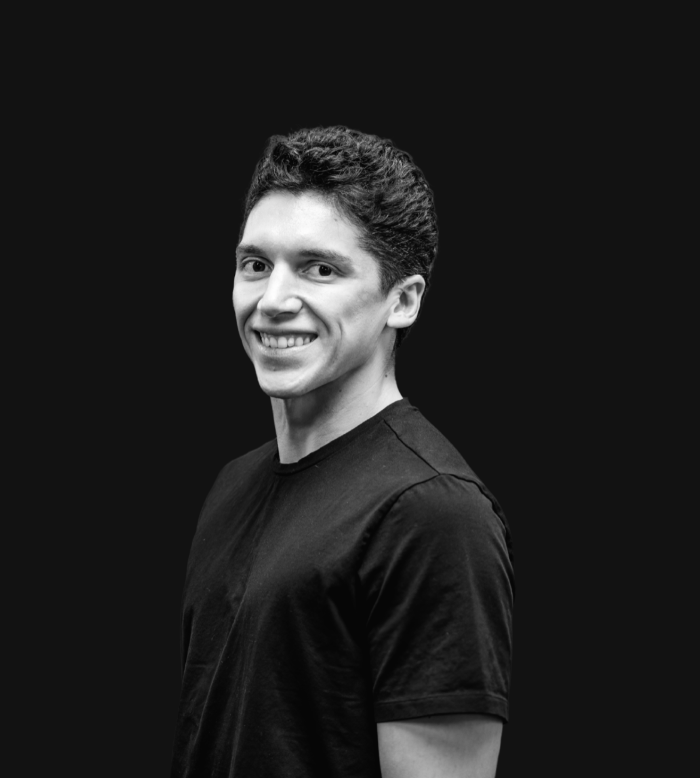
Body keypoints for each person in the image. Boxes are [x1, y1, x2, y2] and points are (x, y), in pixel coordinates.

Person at [170, 126, 514, 777]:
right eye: (255, 264)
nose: (273, 301)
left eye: (319, 269)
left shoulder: (432, 513)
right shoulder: (234, 483)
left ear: (403, 301)